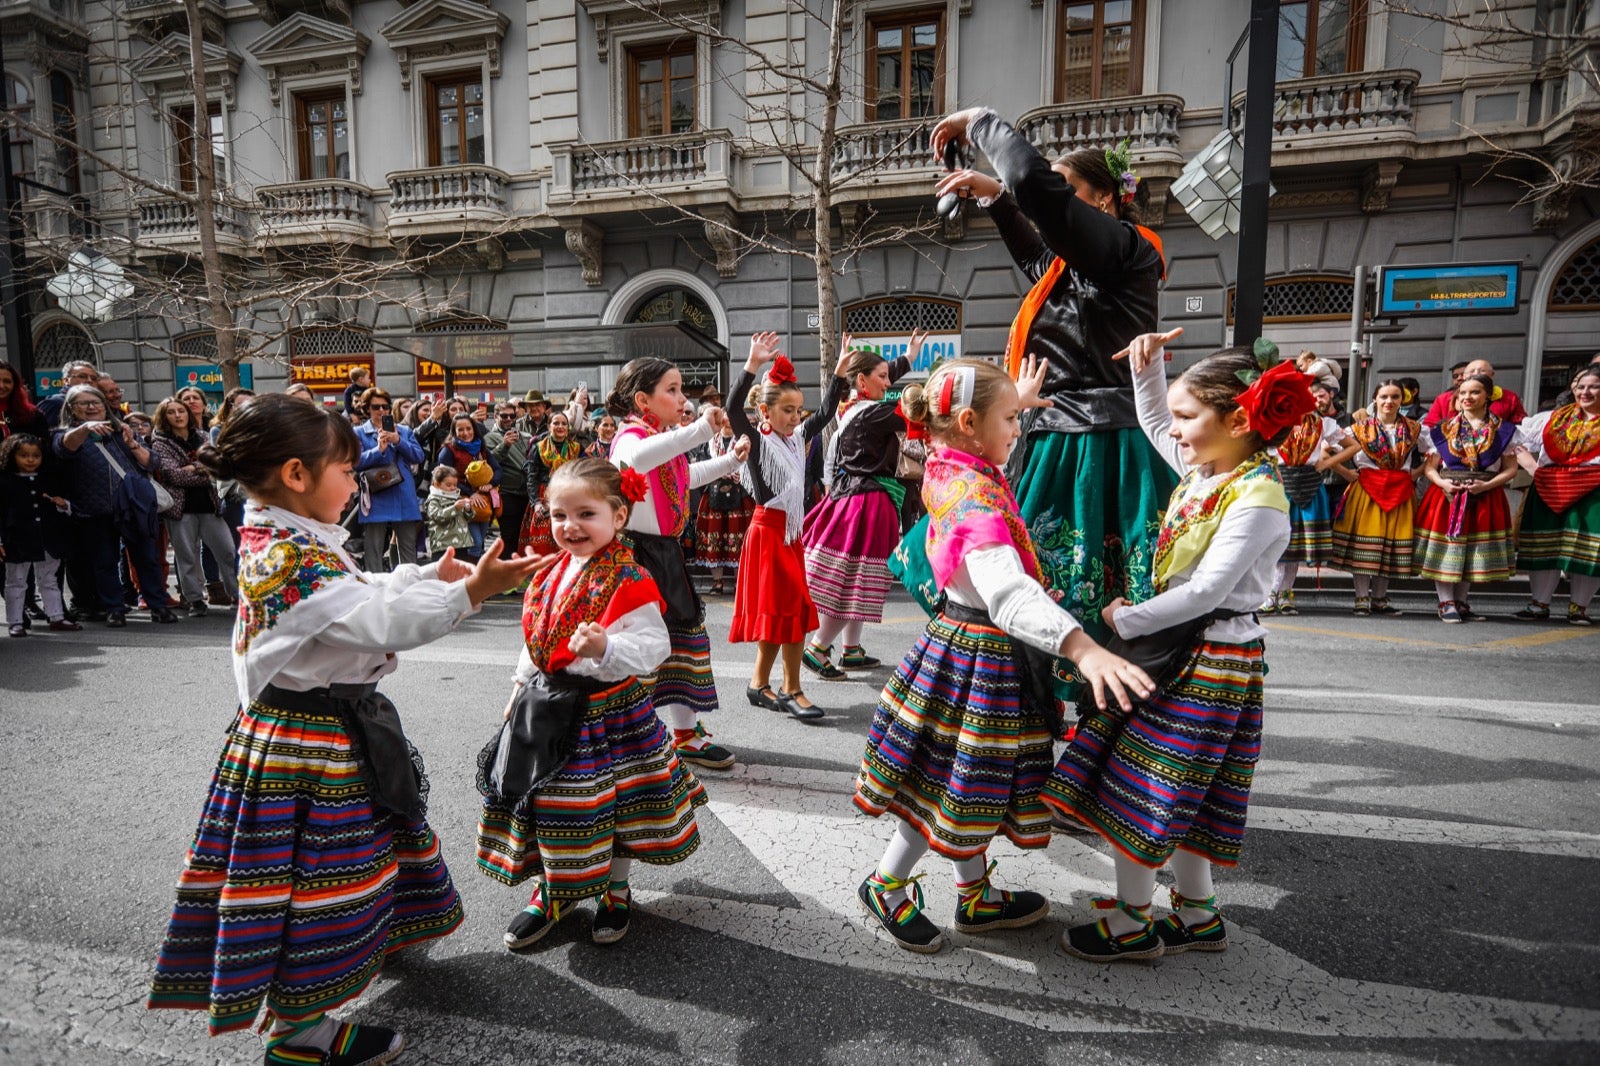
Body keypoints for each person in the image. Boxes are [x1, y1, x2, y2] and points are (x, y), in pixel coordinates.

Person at [146, 394, 538, 1063]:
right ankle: (304, 1038)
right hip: (309, 751)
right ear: (297, 474)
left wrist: (425, 575)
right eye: (348, 470)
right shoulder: (294, 557)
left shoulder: (285, 536)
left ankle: (372, 942)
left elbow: (360, 592)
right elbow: (380, 623)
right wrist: (473, 591)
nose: (357, 483)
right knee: (320, 882)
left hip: (314, 735)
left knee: (353, 859)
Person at [855, 357, 1152, 955]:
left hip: (963, 647)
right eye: (1011, 419)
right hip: (980, 654)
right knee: (946, 783)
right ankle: (886, 885)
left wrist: (1018, 398)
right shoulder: (974, 499)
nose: (1019, 429)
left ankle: (975, 893)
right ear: (968, 421)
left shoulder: (949, 459)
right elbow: (1008, 595)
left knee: (967, 781)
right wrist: (1083, 648)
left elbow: (987, 448)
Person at [1045, 329, 1308, 963]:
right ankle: (1196, 912)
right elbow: (1156, 416)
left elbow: (1207, 592)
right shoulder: (1210, 470)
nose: (1178, 431)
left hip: (1206, 657)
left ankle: (1134, 922)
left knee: (1141, 783)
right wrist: (1149, 366)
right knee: (1188, 788)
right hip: (1190, 653)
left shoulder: (1258, 496)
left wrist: (1123, 618)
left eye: (1193, 417)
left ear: (1240, 419)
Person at [902, 108, 1175, 670]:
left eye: (1067, 191)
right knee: (1015, 568)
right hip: (1058, 433)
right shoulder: (1072, 267)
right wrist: (994, 198)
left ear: (1102, 201)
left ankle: (1104, 690)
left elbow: (1033, 188)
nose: (1051, 204)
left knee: (1084, 580)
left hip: (1102, 445)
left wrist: (980, 121)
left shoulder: (1125, 251)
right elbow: (1034, 249)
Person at [478, 458, 708, 949]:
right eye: (559, 516)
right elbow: (534, 639)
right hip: (545, 707)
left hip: (609, 711)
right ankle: (554, 889)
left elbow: (655, 646)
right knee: (548, 802)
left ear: (618, 516)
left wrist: (606, 649)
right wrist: (519, 686)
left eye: (586, 514)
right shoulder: (550, 572)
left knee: (618, 806)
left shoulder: (628, 577)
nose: (570, 527)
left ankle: (616, 888)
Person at [607, 357, 748, 770]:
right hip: (638, 556)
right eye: (671, 390)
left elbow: (685, 475)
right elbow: (638, 460)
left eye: (680, 388)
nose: (682, 398)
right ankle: (633, 737)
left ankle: (684, 734)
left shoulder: (660, 437)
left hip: (665, 553)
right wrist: (700, 429)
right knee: (642, 647)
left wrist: (730, 462)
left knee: (681, 641)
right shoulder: (630, 438)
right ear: (642, 399)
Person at [728, 332, 847, 721]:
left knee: (784, 611)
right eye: (788, 411)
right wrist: (751, 366)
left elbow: (826, 413)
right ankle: (790, 689)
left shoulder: (796, 440)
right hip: (768, 534)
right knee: (792, 609)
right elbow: (732, 408)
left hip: (788, 535)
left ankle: (758, 683)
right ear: (765, 412)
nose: (797, 418)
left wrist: (839, 376)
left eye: (799, 410)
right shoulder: (759, 442)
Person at [802, 332, 925, 680]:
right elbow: (915, 416)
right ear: (862, 381)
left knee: (857, 576)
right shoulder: (875, 414)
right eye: (883, 378)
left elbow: (879, 378)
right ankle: (819, 646)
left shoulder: (856, 409)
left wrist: (908, 359)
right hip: (867, 504)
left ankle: (851, 650)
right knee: (854, 580)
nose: (889, 382)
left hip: (858, 499)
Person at [51, 384, 176, 626]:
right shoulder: (64, 434)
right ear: (72, 410)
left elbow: (152, 463)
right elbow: (64, 448)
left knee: (146, 559)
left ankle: (157, 606)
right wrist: (85, 429)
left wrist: (133, 444)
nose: (91, 407)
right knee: (104, 562)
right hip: (94, 510)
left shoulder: (122, 431)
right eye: (83, 403)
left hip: (133, 507)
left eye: (95, 402)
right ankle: (115, 609)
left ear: (105, 407)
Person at [1414, 374, 1520, 622]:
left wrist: (1485, 486)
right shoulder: (1441, 430)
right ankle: (1445, 601)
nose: (1467, 398)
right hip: (1447, 493)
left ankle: (1461, 601)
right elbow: (1431, 467)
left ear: (1488, 396)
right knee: (1447, 549)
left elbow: (1511, 468)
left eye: (1474, 392)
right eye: (1462, 393)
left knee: (1473, 549)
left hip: (1485, 493)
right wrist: (1443, 483)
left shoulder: (1503, 430)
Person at [1511, 364, 1600, 624]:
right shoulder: (1553, 418)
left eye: (1594, 386)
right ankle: (1539, 604)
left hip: (1592, 489)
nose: (1586, 392)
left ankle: (1579, 607)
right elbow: (1516, 440)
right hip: (1549, 484)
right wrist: (1533, 468)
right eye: (1581, 387)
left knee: (1587, 550)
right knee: (1544, 548)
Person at [1326, 381, 1425, 615]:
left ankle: (1380, 598)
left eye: (1395, 397)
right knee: (1365, 544)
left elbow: (1434, 455)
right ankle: (1361, 597)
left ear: (1402, 400)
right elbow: (1328, 448)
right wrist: (1347, 473)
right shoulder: (1357, 429)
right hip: (1367, 488)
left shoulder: (1414, 428)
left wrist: (1415, 474)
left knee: (1388, 546)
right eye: (1384, 397)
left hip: (1400, 489)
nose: (1389, 401)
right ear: (1375, 400)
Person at [1261, 383, 1348, 615]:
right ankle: (1271, 592)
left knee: (1298, 546)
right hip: (1280, 485)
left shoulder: (1324, 424)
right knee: (1279, 544)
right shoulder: (1276, 424)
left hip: (1310, 485)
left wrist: (1326, 463)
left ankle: (1286, 593)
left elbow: (1354, 446)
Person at [149, 397, 238, 617]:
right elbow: (172, 475)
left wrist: (194, 469)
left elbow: (218, 468)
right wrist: (203, 472)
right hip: (181, 509)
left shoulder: (204, 437)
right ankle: (195, 599)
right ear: (164, 417)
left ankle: (238, 595)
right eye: (171, 412)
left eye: (181, 411)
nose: (178, 415)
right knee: (186, 555)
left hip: (210, 505)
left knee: (227, 552)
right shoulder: (160, 442)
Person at [0, 434, 78, 635]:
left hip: (47, 538)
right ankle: (16, 622)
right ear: (12, 456)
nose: (30, 460)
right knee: (16, 581)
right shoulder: (5, 481)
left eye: (36, 455)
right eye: (24, 455)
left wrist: (63, 505)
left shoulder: (48, 479)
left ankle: (56, 616)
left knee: (49, 578)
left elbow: (65, 506)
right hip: (17, 539)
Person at [353, 386, 426, 572]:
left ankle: (408, 587)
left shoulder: (403, 430)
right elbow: (356, 462)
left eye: (385, 407)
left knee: (408, 548)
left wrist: (398, 441)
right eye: (376, 407)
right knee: (374, 548)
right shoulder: (359, 432)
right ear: (367, 409)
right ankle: (375, 588)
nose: (381, 411)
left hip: (403, 492)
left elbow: (418, 457)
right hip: (376, 495)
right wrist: (379, 450)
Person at [693, 422, 753, 595]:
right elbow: (701, 467)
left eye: (730, 419)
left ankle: (738, 582)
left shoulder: (744, 441)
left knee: (739, 538)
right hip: (714, 495)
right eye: (725, 419)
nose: (728, 423)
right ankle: (717, 582)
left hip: (739, 495)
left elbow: (752, 465)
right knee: (714, 537)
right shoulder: (709, 443)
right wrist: (716, 473)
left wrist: (742, 476)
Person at [519, 410, 581, 555]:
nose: (560, 427)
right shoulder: (538, 448)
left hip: (569, 495)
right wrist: (536, 503)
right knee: (543, 544)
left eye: (564, 424)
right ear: (548, 426)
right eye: (556, 423)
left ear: (568, 428)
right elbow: (532, 477)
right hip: (543, 497)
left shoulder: (576, 448)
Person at [1423, 358, 1527, 427]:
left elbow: (1519, 426)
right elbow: (1430, 426)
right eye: (1472, 371)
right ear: (1464, 376)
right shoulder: (1444, 399)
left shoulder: (1509, 397)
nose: (1476, 374)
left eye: (1482, 371)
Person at [486, 401, 531, 559]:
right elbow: (489, 462)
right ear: (496, 416)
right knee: (508, 535)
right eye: (504, 416)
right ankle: (505, 571)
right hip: (506, 493)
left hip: (526, 493)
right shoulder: (490, 437)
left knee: (524, 535)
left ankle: (520, 570)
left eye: (512, 416)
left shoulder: (525, 436)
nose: (508, 419)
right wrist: (504, 445)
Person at [424, 464, 476, 559]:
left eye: (455, 485)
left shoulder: (457, 497)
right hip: (442, 545)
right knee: (443, 572)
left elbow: (468, 518)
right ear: (437, 484)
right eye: (448, 485)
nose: (453, 488)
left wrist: (468, 509)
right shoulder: (433, 500)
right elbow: (438, 517)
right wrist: (454, 508)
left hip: (461, 543)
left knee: (460, 571)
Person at [36, 359, 99, 426]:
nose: (89, 380)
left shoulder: (98, 404)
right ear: (66, 380)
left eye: (93, 378)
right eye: (82, 376)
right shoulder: (55, 403)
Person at [0, 361, 48, 444]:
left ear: (15, 385)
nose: (1, 386)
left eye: (7, 381)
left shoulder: (32, 416)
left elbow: (45, 449)